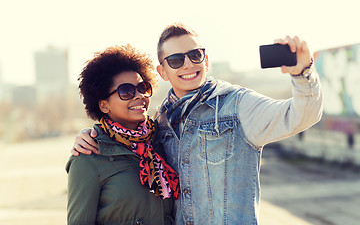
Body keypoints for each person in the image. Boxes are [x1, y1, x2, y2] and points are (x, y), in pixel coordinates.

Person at [72, 23, 323, 225]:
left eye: (195, 55)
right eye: (176, 60)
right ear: (162, 72)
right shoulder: (161, 123)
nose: (188, 64)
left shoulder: (237, 106)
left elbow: (301, 115)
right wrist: (92, 133)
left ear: (206, 60)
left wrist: (303, 74)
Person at [66, 45, 179, 225]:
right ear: (104, 105)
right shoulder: (88, 157)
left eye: (142, 87)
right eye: (126, 91)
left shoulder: (163, 139)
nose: (139, 96)